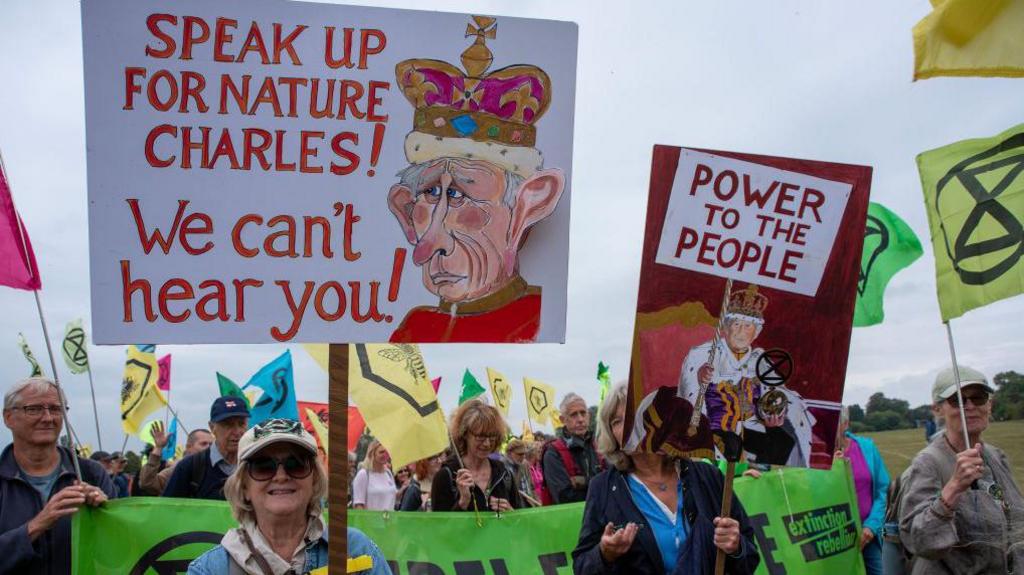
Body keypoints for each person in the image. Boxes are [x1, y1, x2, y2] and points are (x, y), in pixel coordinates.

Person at [387, 17, 566, 343]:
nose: (432, 245)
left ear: (526, 208)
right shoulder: (412, 330)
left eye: (459, 196)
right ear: (405, 212)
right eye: (429, 195)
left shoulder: (541, 321)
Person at [573, 383, 760, 575]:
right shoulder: (603, 488)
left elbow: (749, 558)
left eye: (637, 415)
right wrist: (605, 554)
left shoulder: (708, 477)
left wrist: (736, 548)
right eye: (617, 421)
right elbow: (581, 566)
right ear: (611, 433)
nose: (629, 426)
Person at [899, 365, 1024, 574]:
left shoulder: (996, 456)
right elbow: (918, 540)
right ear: (937, 409)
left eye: (979, 398)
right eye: (957, 400)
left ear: (990, 405)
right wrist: (954, 487)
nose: (970, 406)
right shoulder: (928, 463)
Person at [675, 285, 815, 466]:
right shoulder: (703, 354)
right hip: (714, 433)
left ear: (756, 331)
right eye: (736, 324)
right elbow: (689, 396)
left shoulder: (760, 361)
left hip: (751, 431)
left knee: (783, 441)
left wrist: (773, 417)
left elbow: (776, 396)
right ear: (726, 327)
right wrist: (700, 380)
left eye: (747, 326)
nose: (741, 332)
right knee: (731, 446)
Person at [1, 377, 114, 574]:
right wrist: (36, 526)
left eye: (55, 409)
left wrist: (106, 514)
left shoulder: (91, 473)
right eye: (34, 409)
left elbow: (121, 548)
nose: (47, 418)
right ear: (8, 417)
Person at [188, 418, 328, 573]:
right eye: (263, 466)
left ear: (314, 480)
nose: (281, 476)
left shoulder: (353, 550)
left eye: (296, 464)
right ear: (244, 486)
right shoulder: (208, 570)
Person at [433, 399, 522, 512]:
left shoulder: (504, 474)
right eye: (480, 437)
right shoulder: (446, 476)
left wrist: (511, 512)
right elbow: (439, 527)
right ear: (465, 434)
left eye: (492, 436)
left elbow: (519, 520)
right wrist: (462, 503)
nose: (487, 443)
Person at [834, 406, 889, 575]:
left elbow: (883, 489)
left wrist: (872, 526)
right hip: (834, 540)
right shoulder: (816, 456)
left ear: (845, 424)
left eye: (833, 422)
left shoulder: (866, 447)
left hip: (868, 536)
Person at [163, 396, 249, 500]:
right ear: (212, 427)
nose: (237, 432)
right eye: (228, 425)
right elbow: (169, 511)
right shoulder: (189, 467)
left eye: (241, 424)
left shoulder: (257, 464)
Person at [542, 393, 602, 504]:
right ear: (562, 419)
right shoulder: (553, 453)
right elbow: (565, 497)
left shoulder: (600, 445)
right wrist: (601, 485)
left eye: (583, 413)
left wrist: (585, 481)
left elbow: (615, 484)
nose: (580, 419)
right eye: (574, 415)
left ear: (589, 416)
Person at [140, 423, 214, 495]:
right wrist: (158, 448)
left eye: (211, 444)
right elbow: (147, 483)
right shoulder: (177, 469)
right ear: (189, 447)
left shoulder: (217, 468)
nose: (209, 448)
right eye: (203, 444)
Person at [351, 440, 396, 511]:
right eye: (381, 452)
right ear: (372, 454)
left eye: (386, 452)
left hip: (390, 521)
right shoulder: (363, 474)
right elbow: (358, 505)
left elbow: (390, 497)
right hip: (370, 521)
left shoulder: (388, 473)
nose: (385, 455)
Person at [504, 439, 537, 506]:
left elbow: (531, 485)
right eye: (520, 454)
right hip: (513, 506)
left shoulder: (525, 464)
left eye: (524, 454)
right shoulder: (502, 466)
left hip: (529, 504)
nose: (523, 457)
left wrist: (536, 500)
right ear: (509, 453)